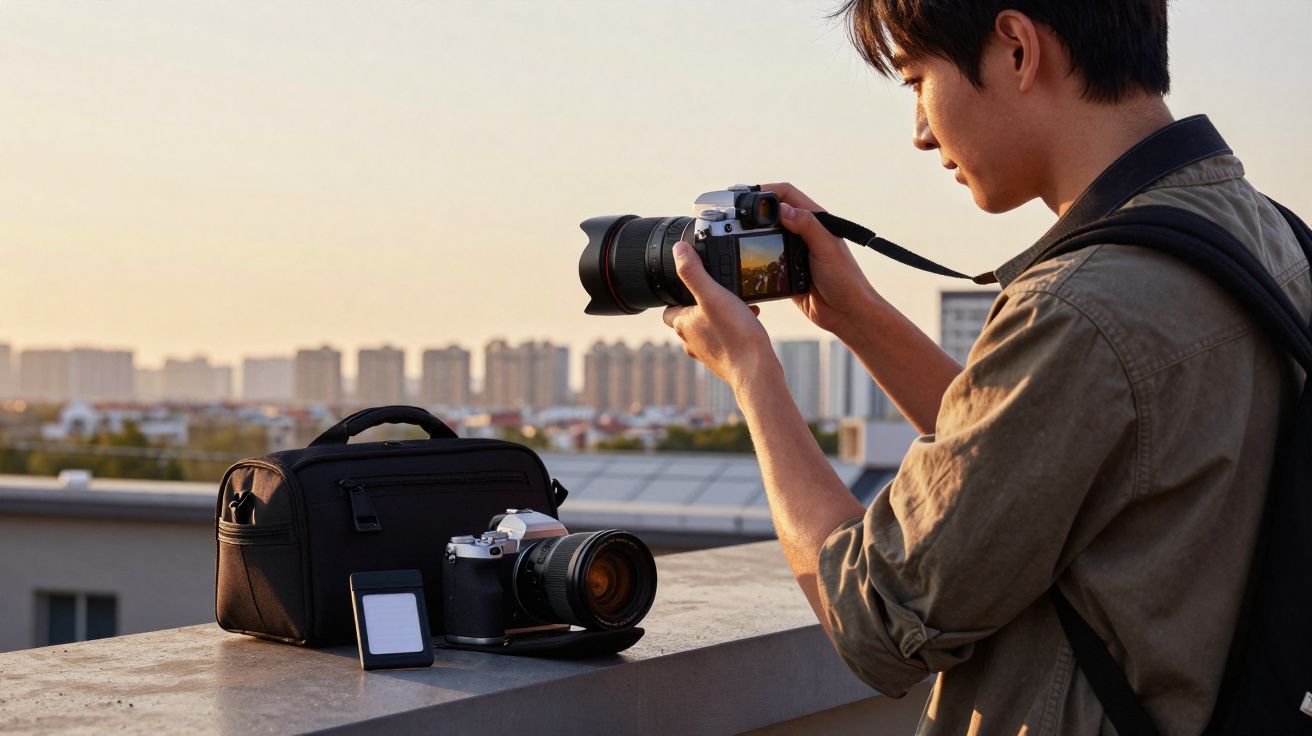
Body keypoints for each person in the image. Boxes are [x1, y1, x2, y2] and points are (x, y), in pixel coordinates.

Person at [659, 1, 1311, 734]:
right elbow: (1035, 458)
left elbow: (875, 616)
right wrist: (858, 317)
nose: (920, 132)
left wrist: (753, 375)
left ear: (1016, 50)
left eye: (915, 80)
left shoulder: (1081, 305)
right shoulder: (1272, 238)